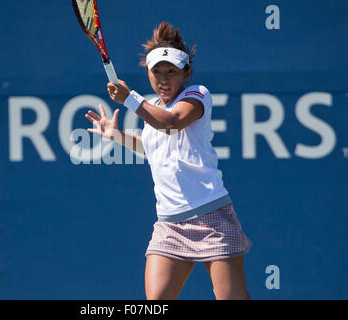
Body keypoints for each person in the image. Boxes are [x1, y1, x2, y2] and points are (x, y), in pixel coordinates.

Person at [85, 22, 252, 300]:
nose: (163, 79)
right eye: (156, 72)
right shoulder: (153, 109)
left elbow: (172, 123)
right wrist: (117, 136)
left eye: (171, 71)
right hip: (169, 223)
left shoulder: (197, 95)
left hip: (212, 218)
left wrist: (130, 99)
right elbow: (155, 147)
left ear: (187, 72)